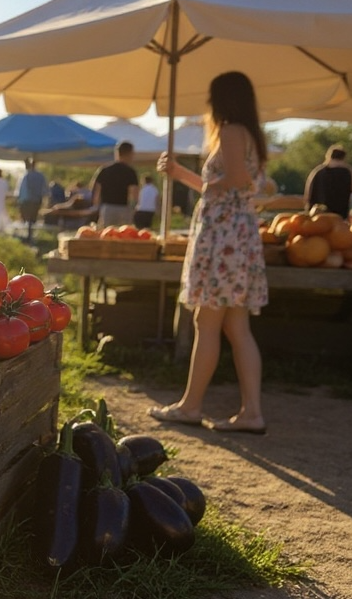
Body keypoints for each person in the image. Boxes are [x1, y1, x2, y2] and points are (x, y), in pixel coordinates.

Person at [149, 71, 269, 435]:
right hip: (236, 235)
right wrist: (180, 173)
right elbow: (222, 185)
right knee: (236, 326)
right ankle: (251, 413)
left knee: (208, 322)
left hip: (224, 237)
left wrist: (204, 181)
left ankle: (191, 406)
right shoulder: (248, 134)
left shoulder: (231, 131)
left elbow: (234, 181)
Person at [91, 141, 139, 228]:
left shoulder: (105, 169)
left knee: (106, 234)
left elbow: (96, 189)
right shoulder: (130, 172)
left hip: (107, 208)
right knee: (124, 235)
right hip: (123, 208)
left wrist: (96, 206)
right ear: (130, 153)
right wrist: (135, 206)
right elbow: (134, 192)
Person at [304, 145, 352, 217]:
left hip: (317, 215)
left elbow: (307, 194)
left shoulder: (317, 172)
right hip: (339, 217)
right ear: (343, 158)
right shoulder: (347, 172)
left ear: (328, 156)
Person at [17, 158, 47, 241]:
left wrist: (19, 200)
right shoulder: (40, 176)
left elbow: (21, 190)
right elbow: (44, 189)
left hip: (26, 200)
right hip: (36, 200)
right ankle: (30, 236)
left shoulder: (25, 175)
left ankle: (27, 236)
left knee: (26, 218)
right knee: (32, 219)